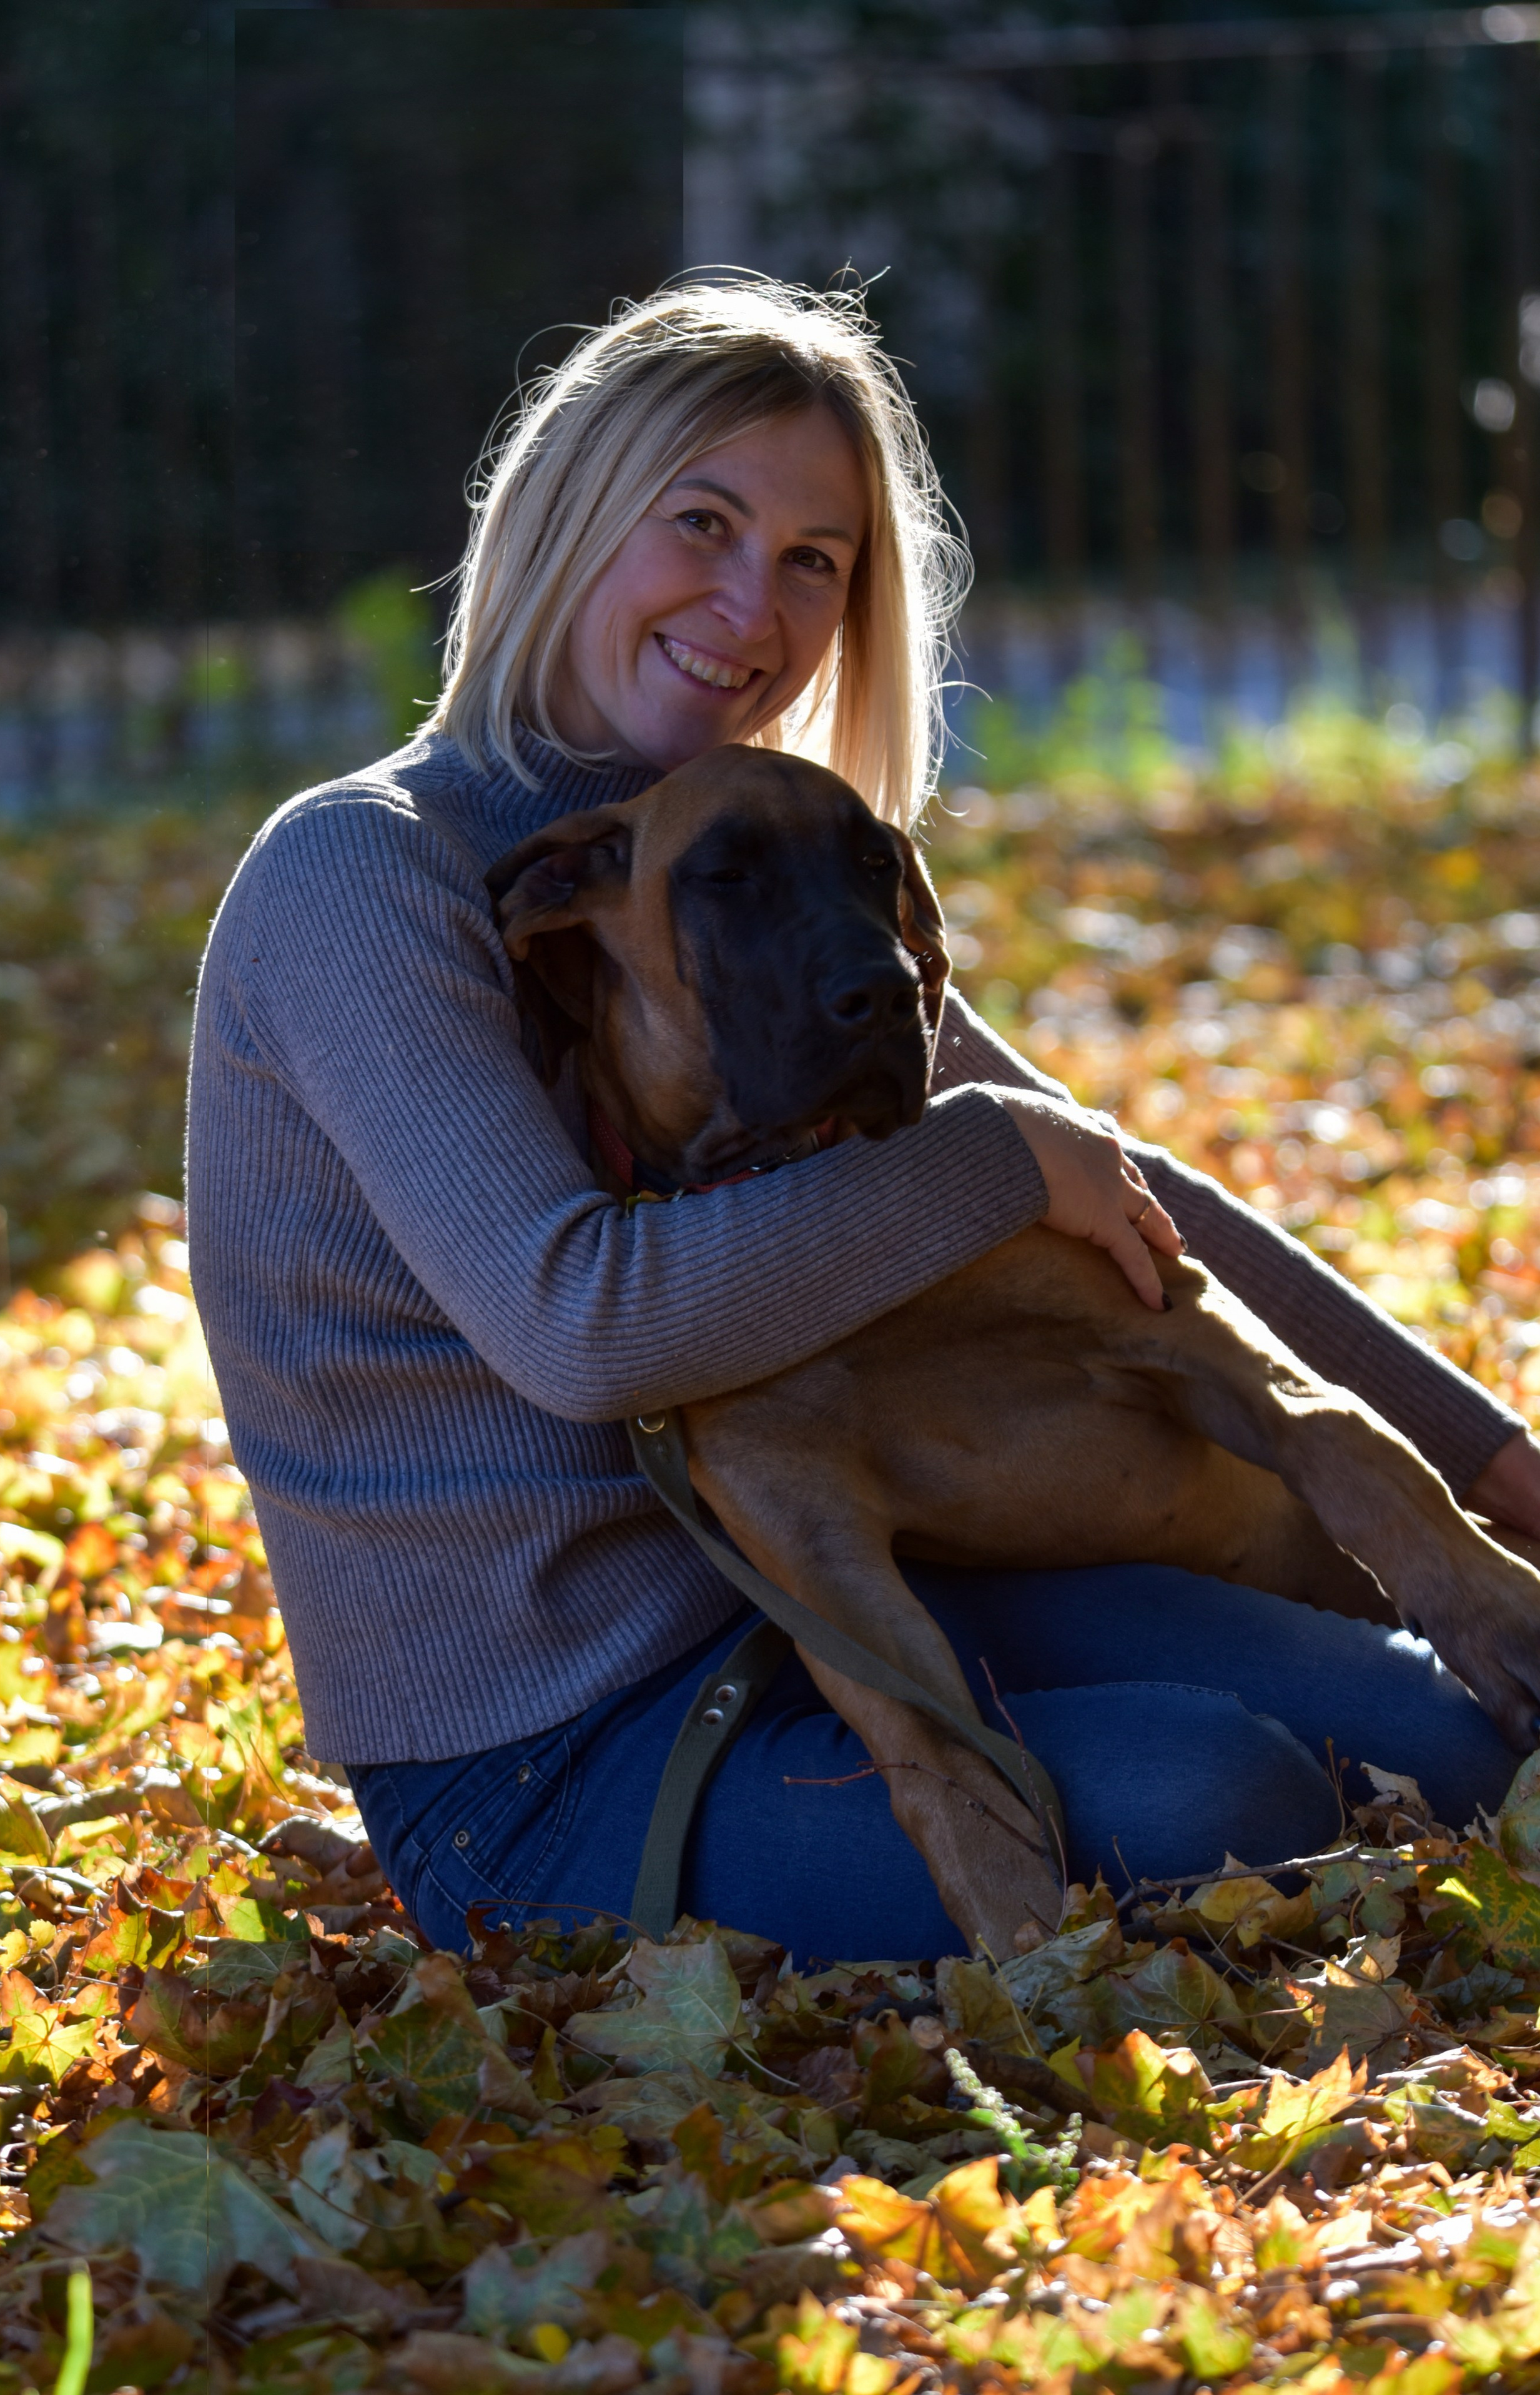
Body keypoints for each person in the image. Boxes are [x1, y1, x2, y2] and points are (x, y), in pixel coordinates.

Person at [189, 278, 1540, 1962]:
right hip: (554, 1759)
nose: (752, 602)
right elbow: (582, 1322)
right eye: (703, 521)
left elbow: (1125, 1192)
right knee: (1220, 1798)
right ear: (568, 514)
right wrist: (988, 1166)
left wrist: (1502, 1470)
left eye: (815, 559)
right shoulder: (362, 876)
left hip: (858, 1607)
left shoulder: (775, 862)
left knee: (1459, 1728)